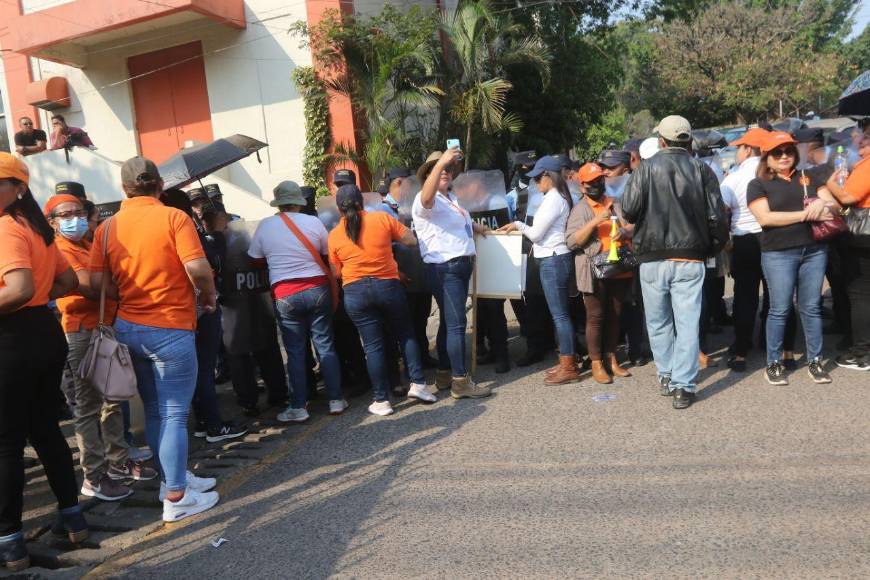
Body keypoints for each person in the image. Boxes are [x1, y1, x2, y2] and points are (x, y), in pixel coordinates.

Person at [90, 157, 219, 523]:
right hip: (170, 327)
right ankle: (176, 497)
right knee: (176, 412)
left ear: (124, 188)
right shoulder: (174, 218)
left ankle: (171, 481)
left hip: (129, 328)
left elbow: (99, 282)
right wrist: (207, 297)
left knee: (154, 409)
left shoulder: (108, 228)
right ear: (159, 185)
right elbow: (197, 267)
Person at [0, 153, 87, 571]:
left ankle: (10, 542)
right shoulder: (37, 229)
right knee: (47, 431)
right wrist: (39, 296)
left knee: (7, 444)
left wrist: (29, 294)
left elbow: (16, 289)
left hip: (12, 338)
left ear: (18, 188)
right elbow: (68, 282)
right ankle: (73, 517)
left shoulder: (4, 226)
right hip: (44, 333)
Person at [45, 193, 158, 501]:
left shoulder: (86, 244)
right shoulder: (60, 248)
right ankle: (94, 475)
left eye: (79, 212)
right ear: (52, 222)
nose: (75, 219)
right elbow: (94, 287)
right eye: (66, 215)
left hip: (102, 328)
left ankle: (118, 461)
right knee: (87, 405)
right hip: (80, 331)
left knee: (112, 397)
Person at [622, 115, 728, 410]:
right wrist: (710, 248)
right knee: (687, 322)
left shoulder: (646, 168)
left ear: (661, 141)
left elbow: (629, 210)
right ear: (688, 140)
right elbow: (718, 218)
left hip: (652, 258)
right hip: (690, 257)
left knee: (658, 323)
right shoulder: (702, 169)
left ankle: (667, 377)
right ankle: (684, 386)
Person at [329, 185, 437, 415]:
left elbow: (336, 273)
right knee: (406, 334)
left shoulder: (334, 235)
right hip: (388, 286)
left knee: (373, 346)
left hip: (355, 293)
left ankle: (381, 400)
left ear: (339, 209)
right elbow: (410, 240)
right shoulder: (381, 219)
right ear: (362, 202)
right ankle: (418, 384)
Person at [248, 181, 348, 422]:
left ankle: (298, 406)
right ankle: (335, 400)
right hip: (317, 289)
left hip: (286, 294)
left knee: (294, 351)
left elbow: (254, 259)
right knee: (325, 345)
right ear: (298, 202)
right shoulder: (313, 222)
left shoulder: (265, 226)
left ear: (279, 203)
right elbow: (327, 254)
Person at [747, 131, 838, 385]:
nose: (784, 156)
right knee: (780, 309)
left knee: (811, 308)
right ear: (767, 157)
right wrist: (807, 214)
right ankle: (773, 363)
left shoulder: (809, 177)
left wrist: (824, 206)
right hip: (778, 253)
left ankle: (815, 360)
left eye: (788, 150)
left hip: (814, 251)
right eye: (777, 152)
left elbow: (835, 207)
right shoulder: (758, 184)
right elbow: (765, 218)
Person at [161, 190, 247, 443]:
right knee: (203, 369)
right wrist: (217, 233)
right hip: (199, 307)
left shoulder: (159, 229)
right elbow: (213, 263)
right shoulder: (182, 227)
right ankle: (213, 426)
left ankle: (202, 422)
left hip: (172, 311)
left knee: (192, 371)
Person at [412, 149, 491, 398]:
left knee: (450, 322)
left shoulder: (449, 198)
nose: (445, 172)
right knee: (457, 325)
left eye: (448, 169)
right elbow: (426, 200)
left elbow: (456, 223)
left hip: (453, 267)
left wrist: (475, 226)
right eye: (439, 169)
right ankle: (460, 381)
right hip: (447, 268)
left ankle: (446, 373)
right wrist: (443, 161)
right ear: (428, 174)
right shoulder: (426, 197)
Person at [499, 155, 580, 385]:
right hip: (554, 258)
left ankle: (569, 365)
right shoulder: (556, 196)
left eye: (538, 178)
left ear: (549, 177)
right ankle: (566, 361)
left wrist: (517, 224)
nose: (535, 183)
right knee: (560, 314)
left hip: (553, 259)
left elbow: (535, 234)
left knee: (560, 315)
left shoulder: (553, 199)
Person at [565, 163, 633, 384]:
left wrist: (622, 231)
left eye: (600, 180)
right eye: (593, 182)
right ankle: (596, 363)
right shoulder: (580, 209)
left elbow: (631, 226)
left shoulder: (614, 203)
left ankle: (611, 358)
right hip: (592, 270)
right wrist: (596, 220)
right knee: (595, 317)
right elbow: (571, 241)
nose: (598, 184)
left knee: (615, 315)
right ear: (583, 186)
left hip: (617, 267)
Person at [826, 120, 870, 371]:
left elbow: (847, 197)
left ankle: (862, 351)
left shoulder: (866, 165)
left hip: (864, 235)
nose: (860, 142)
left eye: (865, 138)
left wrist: (832, 182)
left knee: (860, 291)